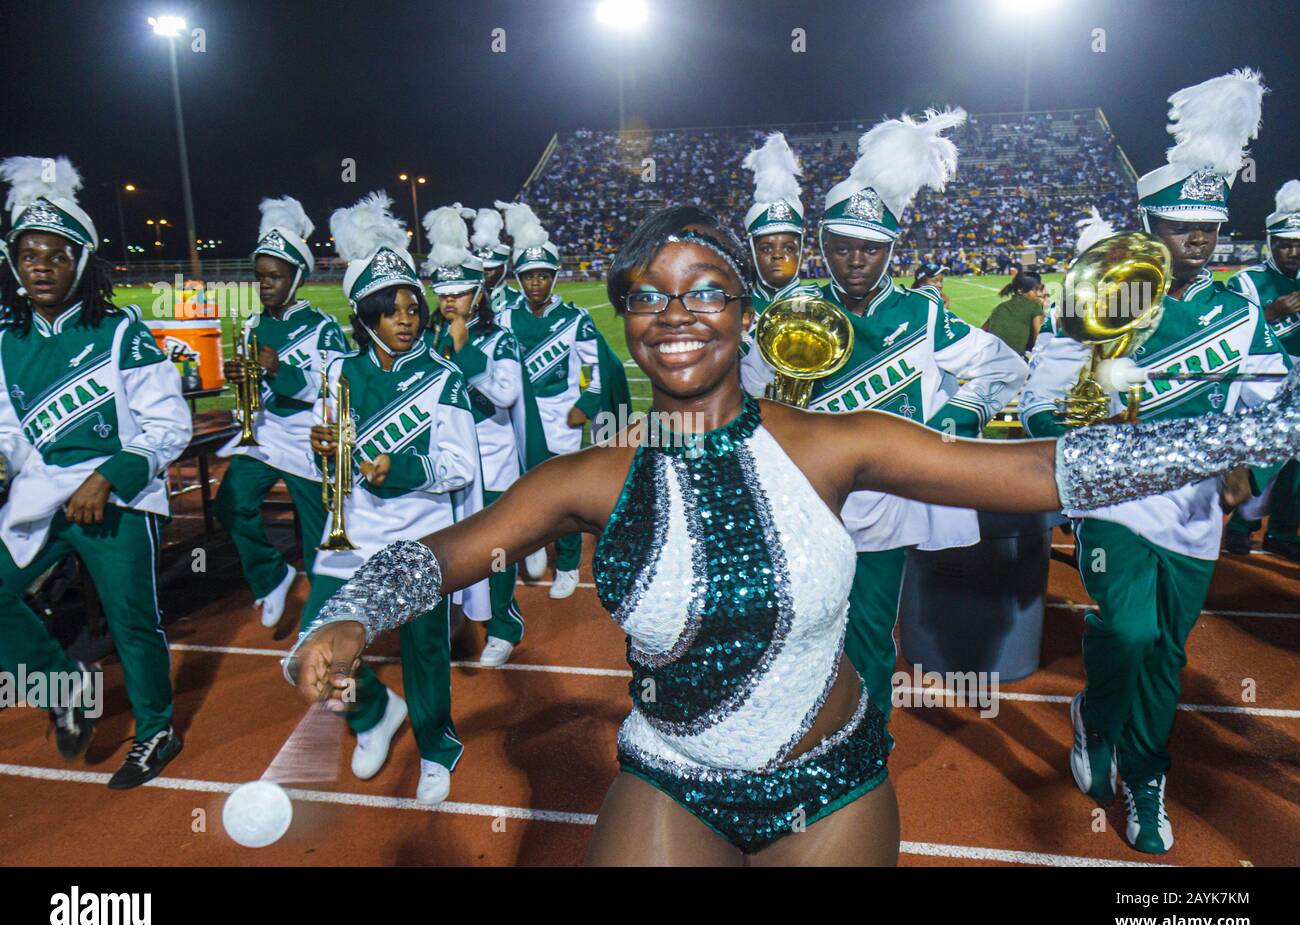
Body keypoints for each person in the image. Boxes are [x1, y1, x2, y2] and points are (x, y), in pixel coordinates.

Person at [287, 202, 1300, 866]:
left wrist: (1272, 425)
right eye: (650, 294)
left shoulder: (834, 444)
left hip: (829, 791)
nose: (676, 312)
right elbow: (445, 552)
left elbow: (1048, 468)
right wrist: (344, 615)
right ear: (629, 318)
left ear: (744, 309)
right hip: (670, 777)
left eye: (706, 290)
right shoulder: (588, 476)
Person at [1019, 69, 1287, 854]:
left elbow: (1265, 405)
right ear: (1148, 226)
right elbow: (1044, 389)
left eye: (1207, 229)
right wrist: (1064, 427)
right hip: (1113, 497)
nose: (1197, 243)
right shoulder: (1103, 290)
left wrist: (1249, 470)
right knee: (1131, 633)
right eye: (1179, 228)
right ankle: (1127, 752)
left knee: (1165, 651)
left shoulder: (1240, 310)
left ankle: (1121, 746)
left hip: (1196, 507)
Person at [742, 109, 1028, 723]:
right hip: (806, 498)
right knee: (797, 628)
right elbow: (746, 392)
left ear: (891, 251)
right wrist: (772, 405)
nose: (854, 261)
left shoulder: (923, 315)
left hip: (885, 503)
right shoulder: (794, 307)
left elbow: (1004, 367)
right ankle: (800, 732)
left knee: (869, 630)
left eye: (869, 249)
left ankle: (863, 744)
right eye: (841, 247)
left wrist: (955, 418)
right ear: (822, 248)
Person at [0, 156, 191, 788]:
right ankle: (60, 690)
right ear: (13, 263)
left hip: (119, 497)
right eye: (29, 255)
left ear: (82, 261)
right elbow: (8, 429)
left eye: (56, 255)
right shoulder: (4, 339)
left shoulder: (122, 333)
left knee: (132, 618)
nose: (42, 267)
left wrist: (109, 475)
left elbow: (170, 427)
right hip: (39, 494)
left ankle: (156, 728)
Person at [301, 192, 488, 804]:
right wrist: (322, 450)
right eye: (392, 310)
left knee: (424, 649)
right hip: (350, 534)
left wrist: (401, 468)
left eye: (413, 308)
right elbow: (324, 461)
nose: (407, 319)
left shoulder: (444, 377)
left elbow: (460, 466)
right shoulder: (336, 375)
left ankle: (437, 747)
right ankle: (372, 714)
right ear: (365, 317)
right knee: (316, 649)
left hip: (418, 535)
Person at [215, 197, 349, 628]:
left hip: (307, 438)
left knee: (318, 541)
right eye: (260, 278)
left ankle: (327, 626)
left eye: (275, 277)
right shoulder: (253, 326)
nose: (266, 285)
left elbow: (334, 389)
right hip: (266, 434)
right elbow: (256, 390)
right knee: (231, 502)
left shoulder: (322, 326)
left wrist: (280, 369)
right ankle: (271, 576)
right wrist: (243, 377)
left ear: (297, 278)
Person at [422, 205, 532, 667]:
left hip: (494, 457)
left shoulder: (499, 338)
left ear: (477, 294)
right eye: (442, 293)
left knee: (495, 549)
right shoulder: (426, 338)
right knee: (447, 543)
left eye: (459, 292)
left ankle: (504, 625)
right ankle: (453, 614)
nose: (449, 301)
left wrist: (466, 354)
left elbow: (505, 395)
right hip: (447, 459)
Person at [495, 202, 602, 599]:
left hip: (562, 418)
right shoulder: (506, 318)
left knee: (566, 497)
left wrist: (586, 408)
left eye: (543, 275)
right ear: (519, 279)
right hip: (519, 419)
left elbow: (599, 372)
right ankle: (534, 542)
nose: (536, 283)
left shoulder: (577, 319)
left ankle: (569, 565)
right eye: (528, 276)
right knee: (523, 489)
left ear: (555, 277)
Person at [1223, 179, 1300, 560]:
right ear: (1269, 241)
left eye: (1298, 244)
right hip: (1262, 380)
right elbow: (1231, 333)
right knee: (1261, 455)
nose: (1291, 251)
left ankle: (1283, 532)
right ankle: (1241, 526)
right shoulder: (1247, 281)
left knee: (1295, 466)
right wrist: (1274, 313)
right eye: (1283, 243)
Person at [742, 132, 815, 320]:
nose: (777, 255)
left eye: (789, 248)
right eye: (766, 248)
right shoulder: (735, 307)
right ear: (752, 252)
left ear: (801, 252)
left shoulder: (823, 303)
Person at [982, 270, 1048, 356]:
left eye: (1040, 290)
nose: (1039, 294)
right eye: (1035, 290)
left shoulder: (1000, 307)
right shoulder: (1034, 305)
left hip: (990, 356)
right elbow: (1039, 336)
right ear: (1020, 290)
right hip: (1013, 359)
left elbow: (983, 330)